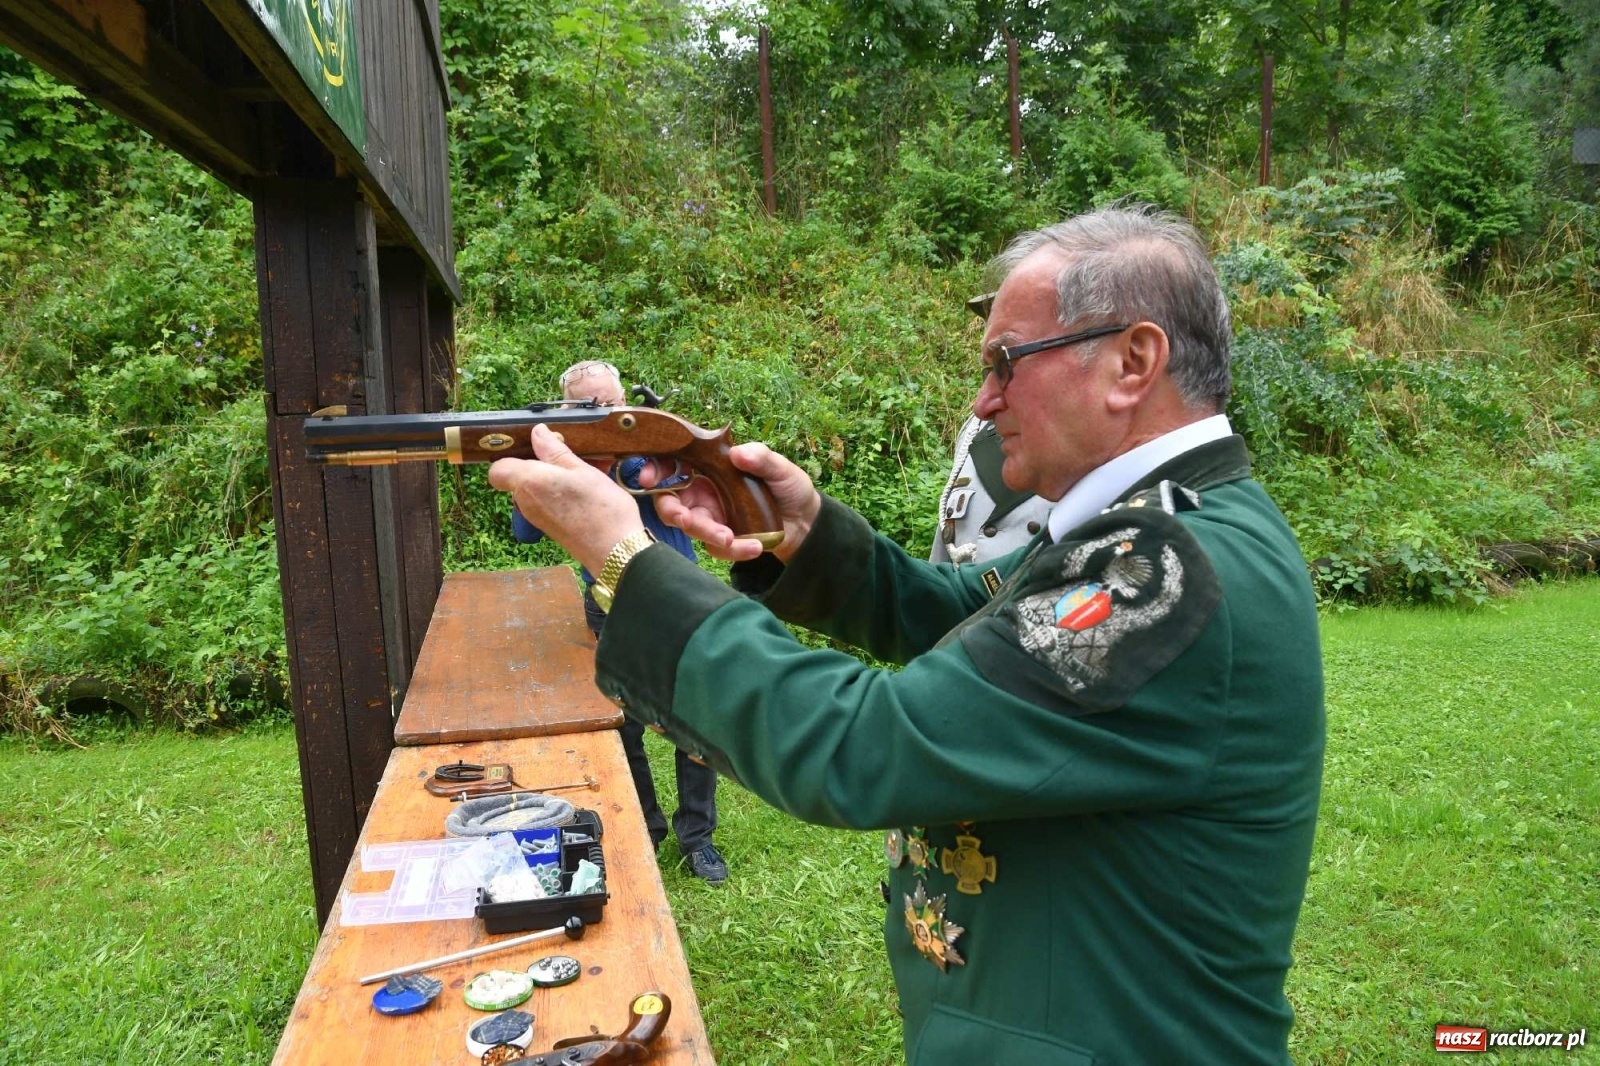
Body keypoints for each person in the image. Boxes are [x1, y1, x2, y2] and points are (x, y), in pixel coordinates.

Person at [488, 206, 1325, 1064]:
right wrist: (801, 529)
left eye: (1006, 361)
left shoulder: (1161, 565)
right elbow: (964, 610)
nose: (984, 397)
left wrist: (625, 557)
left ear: (1132, 363)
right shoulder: (1149, 532)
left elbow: (865, 746)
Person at [510, 358, 728, 886]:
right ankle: (646, 829)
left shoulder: (657, 450)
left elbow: (668, 482)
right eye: (586, 407)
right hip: (608, 602)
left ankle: (698, 838)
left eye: (610, 403)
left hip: (677, 599)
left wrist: (634, 454)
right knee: (624, 725)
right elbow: (524, 531)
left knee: (694, 725)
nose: (603, 412)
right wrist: (557, 463)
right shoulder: (574, 464)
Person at [929, 293, 1053, 567]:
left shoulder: (1104, 449)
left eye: (1012, 356)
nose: (981, 405)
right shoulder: (976, 430)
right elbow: (944, 550)